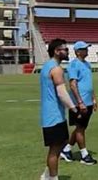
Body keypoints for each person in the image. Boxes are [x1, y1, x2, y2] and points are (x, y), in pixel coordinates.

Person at [39, 38, 79, 180]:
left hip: (53, 114)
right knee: (55, 150)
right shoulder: (56, 69)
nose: (67, 52)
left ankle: (47, 175)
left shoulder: (47, 66)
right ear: (56, 51)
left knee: (62, 142)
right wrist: (74, 108)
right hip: (53, 115)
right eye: (65, 49)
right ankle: (53, 177)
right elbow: (62, 92)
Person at [60, 41, 98, 165]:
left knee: (80, 128)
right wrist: (80, 102)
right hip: (79, 103)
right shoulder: (73, 65)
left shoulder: (87, 64)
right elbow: (73, 84)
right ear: (78, 52)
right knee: (80, 128)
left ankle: (66, 150)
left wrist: (93, 99)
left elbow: (89, 84)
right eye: (84, 49)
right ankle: (84, 155)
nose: (87, 50)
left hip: (88, 102)